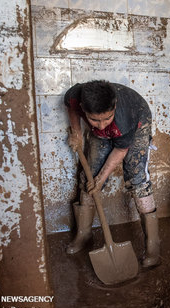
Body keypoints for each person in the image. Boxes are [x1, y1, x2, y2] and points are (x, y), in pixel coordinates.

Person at [64, 80, 160, 268]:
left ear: (114, 106)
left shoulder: (125, 117)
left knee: (137, 177)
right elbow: (71, 108)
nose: (100, 126)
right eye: (94, 120)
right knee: (89, 175)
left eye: (106, 119)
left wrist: (101, 179)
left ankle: (153, 245)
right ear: (84, 107)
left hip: (138, 123)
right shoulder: (75, 96)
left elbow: (120, 150)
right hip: (115, 126)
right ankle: (84, 233)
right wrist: (76, 133)